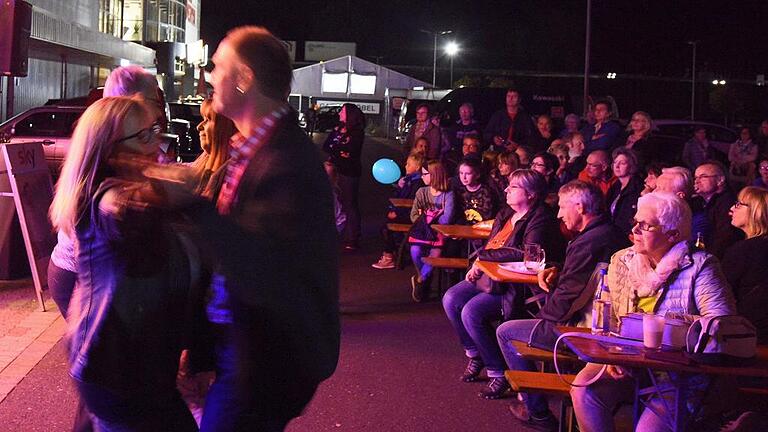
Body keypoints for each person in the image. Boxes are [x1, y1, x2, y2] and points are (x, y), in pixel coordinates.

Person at [157, 26, 341, 431]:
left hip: (269, 360)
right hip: (245, 350)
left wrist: (189, 204)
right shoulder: (254, 147)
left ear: (244, 78)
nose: (209, 75)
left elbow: (260, 263)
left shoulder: (286, 160)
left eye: (218, 66)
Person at [49, 96, 198, 430]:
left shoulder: (134, 188)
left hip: (136, 367)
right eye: (143, 137)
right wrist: (176, 187)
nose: (156, 143)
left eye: (155, 131)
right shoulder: (106, 200)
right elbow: (127, 211)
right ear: (113, 152)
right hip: (113, 369)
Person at [570, 192, 737, 432]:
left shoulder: (701, 266)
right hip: (629, 364)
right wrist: (612, 357)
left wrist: (670, 327)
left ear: (673, 235)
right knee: (584, 388)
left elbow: (722, 325)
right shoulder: (622, 260)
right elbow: (611, 319)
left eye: (645, 225)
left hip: (678, 376)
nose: (635, 230)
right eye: (635, 222)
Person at [496, 180, 629, 430]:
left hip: (584, 330)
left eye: (561, 207)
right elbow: (581, 280)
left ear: (578, 206)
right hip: (600, 324)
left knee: (506, 331)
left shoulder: (588, 242)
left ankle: (536, 411)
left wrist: (544, 318)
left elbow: (567, 300)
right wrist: (558, 269)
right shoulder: (610, 233)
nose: (558, 214)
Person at [443, 170, 564, 400]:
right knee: (451, 299)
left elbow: (526, 252)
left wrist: (485, 257)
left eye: (514, 187)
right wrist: (480, 261)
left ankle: (498, 371)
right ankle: (475, 352)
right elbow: (493, 242)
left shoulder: (541, 218)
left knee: (471, 312)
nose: (506, 190)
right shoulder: (507, 212)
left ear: (530, 194)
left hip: (515, 287)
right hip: (491, 276)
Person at [722, 186, 768, 342]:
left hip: (750, 334)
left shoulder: (743, 251)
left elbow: (723, 294)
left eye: (738, 204)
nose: (731, 208)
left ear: (756, 211)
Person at [409, 159, 455, 302]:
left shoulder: (448, 194)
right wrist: (433, 216)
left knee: (434, 256)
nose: (422, 177)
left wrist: (427, 216)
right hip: (422, 233)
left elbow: (446, 219)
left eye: (425, 174)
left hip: (439, 234)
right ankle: (424, 277)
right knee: (415, 251)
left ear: (435, 175)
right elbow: (414, 216)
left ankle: (421, 280)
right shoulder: (421, 192)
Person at [372, 153, 425, 269]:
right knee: (386, 224)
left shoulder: (417, 183)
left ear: (417, 167)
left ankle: (389, 256)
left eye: (408, 164)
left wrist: (397, 212)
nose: (405, 167)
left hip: (411, 215)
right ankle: (393, 252)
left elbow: (411, 203)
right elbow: (399, 197)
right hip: (404, 212)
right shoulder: (407, 181)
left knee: (387, 226)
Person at [324, 103, 365, 250]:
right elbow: (327, 146)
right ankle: (339, 233)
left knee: (350, 203)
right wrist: (339, 150)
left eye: (342, 111)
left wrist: (338, 150)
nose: (340, 113)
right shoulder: (338, 129)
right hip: (335, 170)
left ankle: (353, 237)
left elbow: (351, 151)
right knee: (337, 202)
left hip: (349, 172)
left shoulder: (356, 132)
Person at [691, 161, 743, 258]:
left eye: (703, 177)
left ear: (720, 180)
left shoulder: (728, 202)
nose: (696, 181)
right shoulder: (696, 202)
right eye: (695, 177)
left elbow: (725, 237)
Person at [189, 98, 236, 195]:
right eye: (203, 119)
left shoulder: (232, 175)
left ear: (225, 129)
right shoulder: (205, 160)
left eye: (208, 119)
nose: (199, 126)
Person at [606, 148, 643, 236]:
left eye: (622, 163)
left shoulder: (638, 188)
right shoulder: (615, 186)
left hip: (626, 236)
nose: (617, 166)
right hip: (612, 233)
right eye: (615, 162)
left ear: (631, 166)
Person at [455, 157, 497, 225]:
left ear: (477, 175)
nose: (464, 177)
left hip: (481, 228)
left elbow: (487, 216)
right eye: (461, 173)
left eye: (468, 174)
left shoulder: (486, 192)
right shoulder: (459, 191)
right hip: (463, 228)